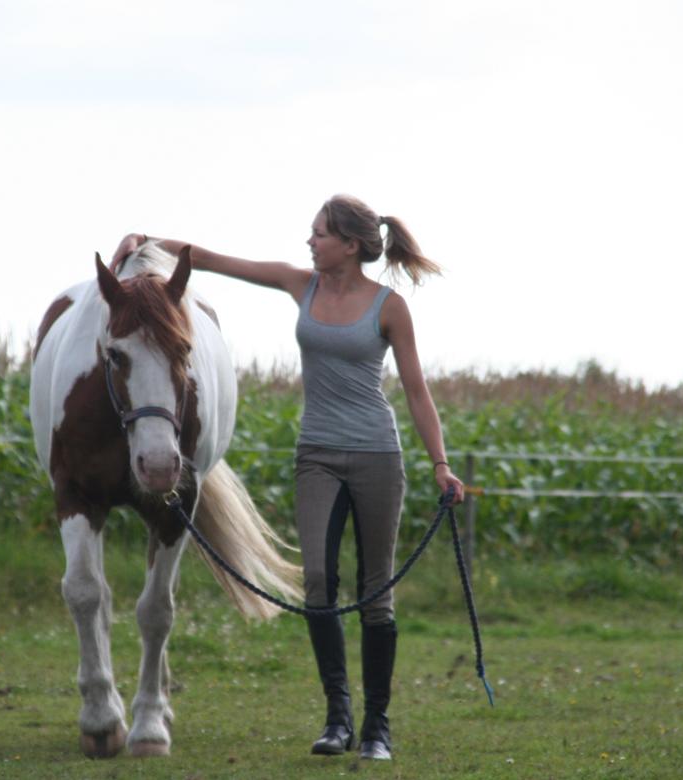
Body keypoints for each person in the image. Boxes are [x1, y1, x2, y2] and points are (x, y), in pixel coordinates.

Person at [111, 194, 464, 761]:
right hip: (317, 455)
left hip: (377, 456)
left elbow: (417, 392)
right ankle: (338, 717)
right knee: (320, 582)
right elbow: (213, 260)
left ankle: (377, 727)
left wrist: (441, 464)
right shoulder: (301, 285)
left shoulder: (389, 307)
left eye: (319, 234)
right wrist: (147, 243)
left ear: (349, 245)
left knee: (377, 593)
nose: (310, 241)